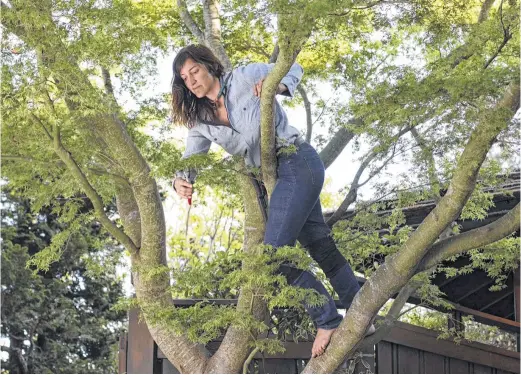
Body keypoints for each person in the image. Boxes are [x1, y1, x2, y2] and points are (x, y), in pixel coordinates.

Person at [171, 44, 372, 358]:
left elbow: (293, 68)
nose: (191, 80)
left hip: (297, 163)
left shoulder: (244, 76)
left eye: (194, 71)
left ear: (209, 66)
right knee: (319, 245)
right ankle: (363, 313)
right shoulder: (200, 120)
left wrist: (277, 85)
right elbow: (190, 158)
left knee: (271, 259)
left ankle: (328, 319)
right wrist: (181, 180)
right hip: (275, 183)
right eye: (185, 77)